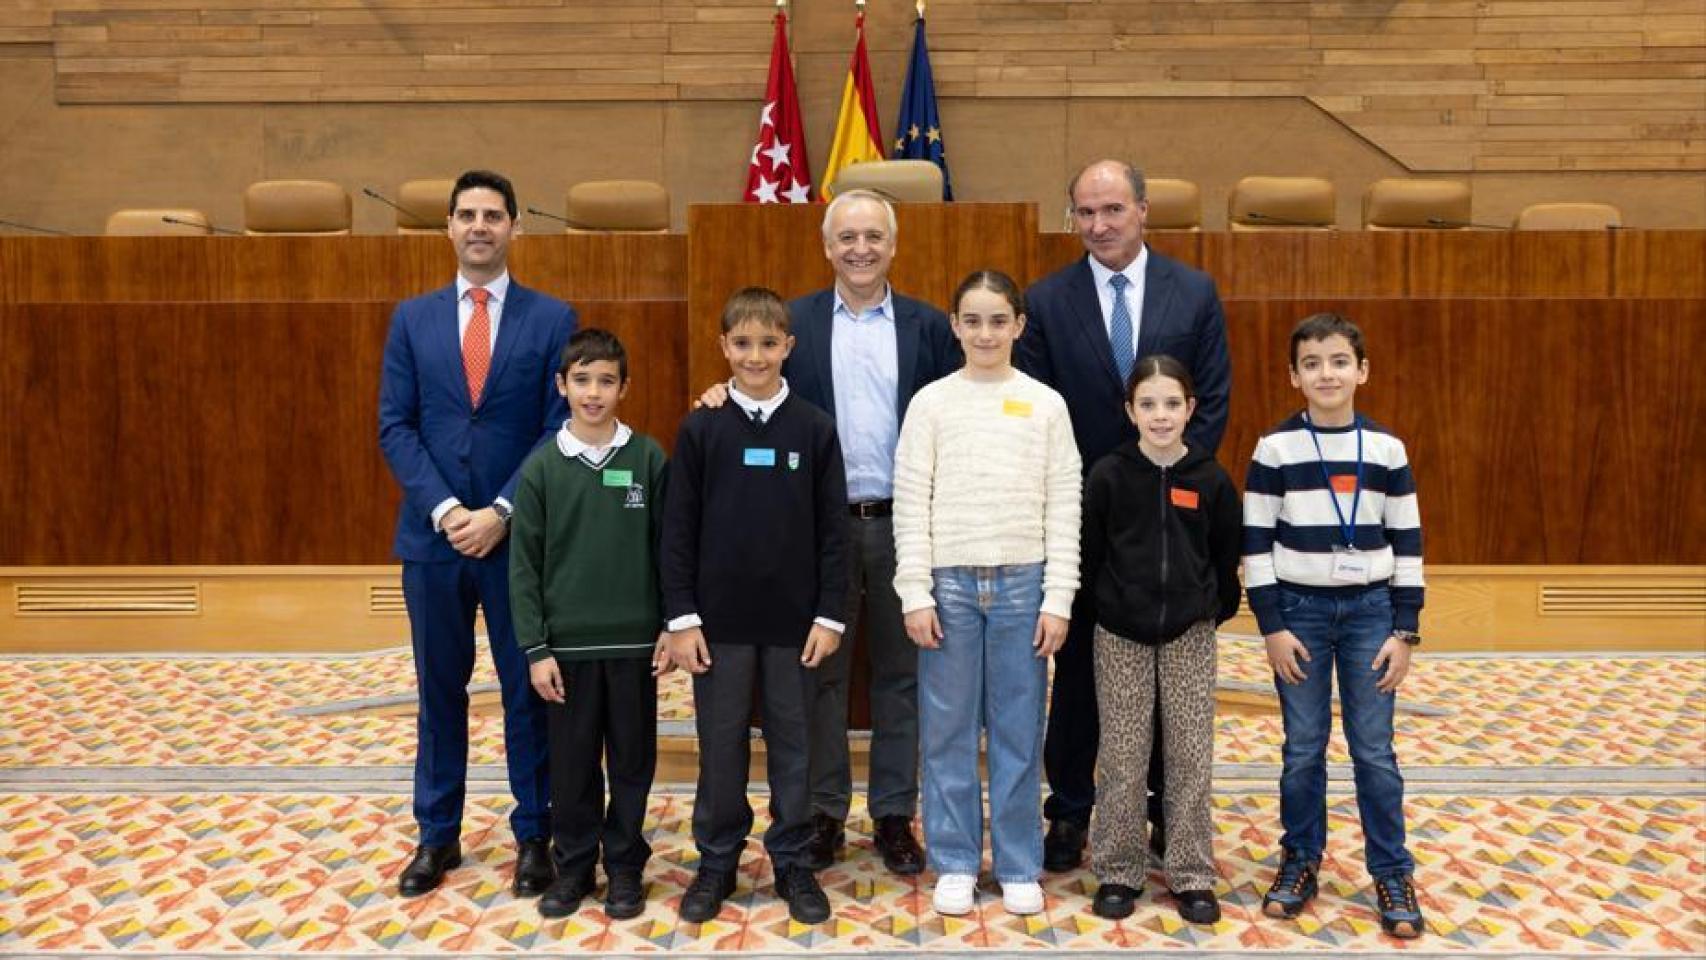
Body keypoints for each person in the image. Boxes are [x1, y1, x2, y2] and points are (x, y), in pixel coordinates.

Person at [695, 189, 958, 875]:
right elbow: (759, 387)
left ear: (894, 245)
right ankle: (823, 812)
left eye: (873, 235)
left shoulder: (929, 328)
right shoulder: (798, 322)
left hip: (906, 522)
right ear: (827, 245)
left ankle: (895, 813)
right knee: (821, 675)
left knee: (902, 674)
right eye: (847, 237)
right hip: (818, 528)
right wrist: (721, 393)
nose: (861, 248)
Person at [1018, 159, 1232, 873]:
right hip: (1081, 516)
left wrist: (1162, 484)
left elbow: (1214, 401)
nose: (1099, 225)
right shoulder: (1046, 302)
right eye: (1085, 213)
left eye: (1112, 209)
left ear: (1143, 210)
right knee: (1078, 674)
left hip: (1170, 519)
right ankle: (1071, 812)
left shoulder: (1193, 291)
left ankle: (1169, 815)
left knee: (1171, 681)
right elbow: (1040, 414)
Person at [378, 169, 576, 898]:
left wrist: (500, 510)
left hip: (516, 541)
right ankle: (438, 835)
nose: (480, 226)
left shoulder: (553, 318)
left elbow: (558, 428)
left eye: (494, 215)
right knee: (440, 692)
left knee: (528, 691)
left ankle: (535, 836)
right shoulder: (413, 319)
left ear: (517, 227)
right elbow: (394, 425)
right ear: (449, 229)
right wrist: (447, 512)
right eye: (467, 215)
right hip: (433, 543)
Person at [893, 270, 1081, 917]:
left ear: (1019, 326)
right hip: (947, 586)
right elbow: (912, 501)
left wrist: (1058, 598)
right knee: (946, 732)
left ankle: (1019, 861)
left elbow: (1065, 503)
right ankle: (953, 860)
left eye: (998, 320)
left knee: (1017, 731)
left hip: (1023, 586)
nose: (985, 333)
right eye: (972, 320)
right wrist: (914, 590)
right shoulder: (932, 403)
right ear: (954, 325)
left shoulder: (1045, 404)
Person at [661, 288, 850, 926]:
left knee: (796, 746)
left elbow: (833, 534)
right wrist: (681, 618)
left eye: (769, 343)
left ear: (788, 347)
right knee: (721, 748)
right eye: (742, 344)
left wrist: (830, 616)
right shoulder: (701, 428)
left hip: (796, 628)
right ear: (724, 348)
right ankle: (716, 861)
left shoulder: (815, 428)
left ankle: (794, 860)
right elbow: (678, 531)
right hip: (718, 629)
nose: (755, 355)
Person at [1243, 313, 1425, 939]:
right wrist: (1270, 625)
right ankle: (1300, 861)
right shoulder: (1275, 449)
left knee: (1374, 751)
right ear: (1294, 376)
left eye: (1340, 361)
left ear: (1362, 371)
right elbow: (1256, 545)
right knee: (1302, 748)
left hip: (1372, 615)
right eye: (1313, 363)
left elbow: (1408, 544)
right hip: (1299, 615)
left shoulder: (1386, 449)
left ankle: (1392, 871)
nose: (1328, 373)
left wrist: (1405, 630)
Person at [509, 329, 673, 921]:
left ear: (624, 387)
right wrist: (535, 648)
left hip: (634, 646)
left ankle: (625, 863)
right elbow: (523, 566)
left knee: (632, 761)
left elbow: (668, 552)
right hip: (567, 653)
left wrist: (670, 625)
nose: (594, 392)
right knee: (574, 766)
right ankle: (575, 864)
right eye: (582, 380)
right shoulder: (542, 468)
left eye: (606, 380)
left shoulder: (649, 459)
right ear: (562, 386)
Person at [1080, 355, 1241, 925]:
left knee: (1190, 756)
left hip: (1189, 636)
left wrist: (1207, 612)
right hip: (1120, 633)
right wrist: (1109, 608)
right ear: (1130, 411)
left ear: (1191, 408)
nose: (1161, 414)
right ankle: (1119, 869)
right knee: (1123, 757)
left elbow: (1226, 559)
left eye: (1172, 403)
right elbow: (1092, 554)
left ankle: (1192, 872)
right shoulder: (1109, 475)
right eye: (1147, 404)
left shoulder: (1210, 478)